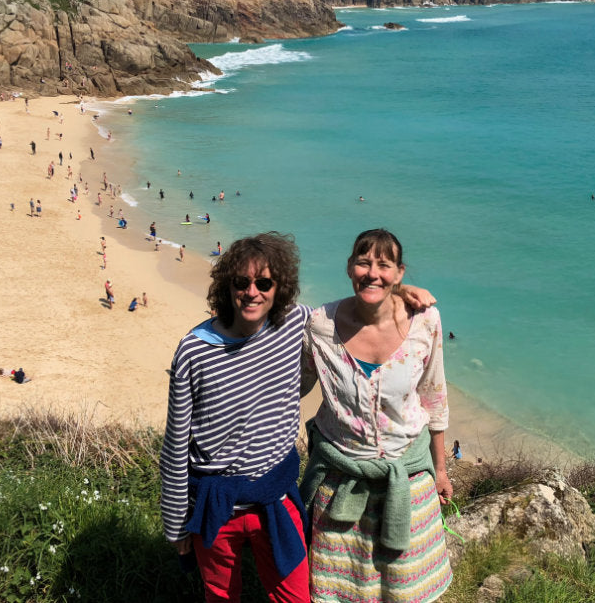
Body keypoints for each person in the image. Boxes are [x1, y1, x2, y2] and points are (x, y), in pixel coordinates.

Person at [160, 233, 434, 603]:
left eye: (264, 283)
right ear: (227, 286)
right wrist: (176, 525)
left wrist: (399, 291)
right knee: (220, 596)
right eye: (241, 282)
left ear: (280, 288)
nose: (252, 292)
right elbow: (175, 446)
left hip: (276, 496)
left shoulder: (296, 324)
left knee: (295, 597)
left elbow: (361, 306)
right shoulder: (194, 350)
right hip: (214, 502)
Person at [300, 228, 453, 603]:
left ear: (400, 273)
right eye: (363, 262)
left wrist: (442, 468)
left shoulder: (425, 322)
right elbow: (294, 387)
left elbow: (434, 396)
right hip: (340, 477)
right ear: (349, 268)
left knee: (405, 589)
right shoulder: (319, 324)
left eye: (384, 265)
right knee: (339, 588)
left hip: (407, 476)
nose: (372, 273)